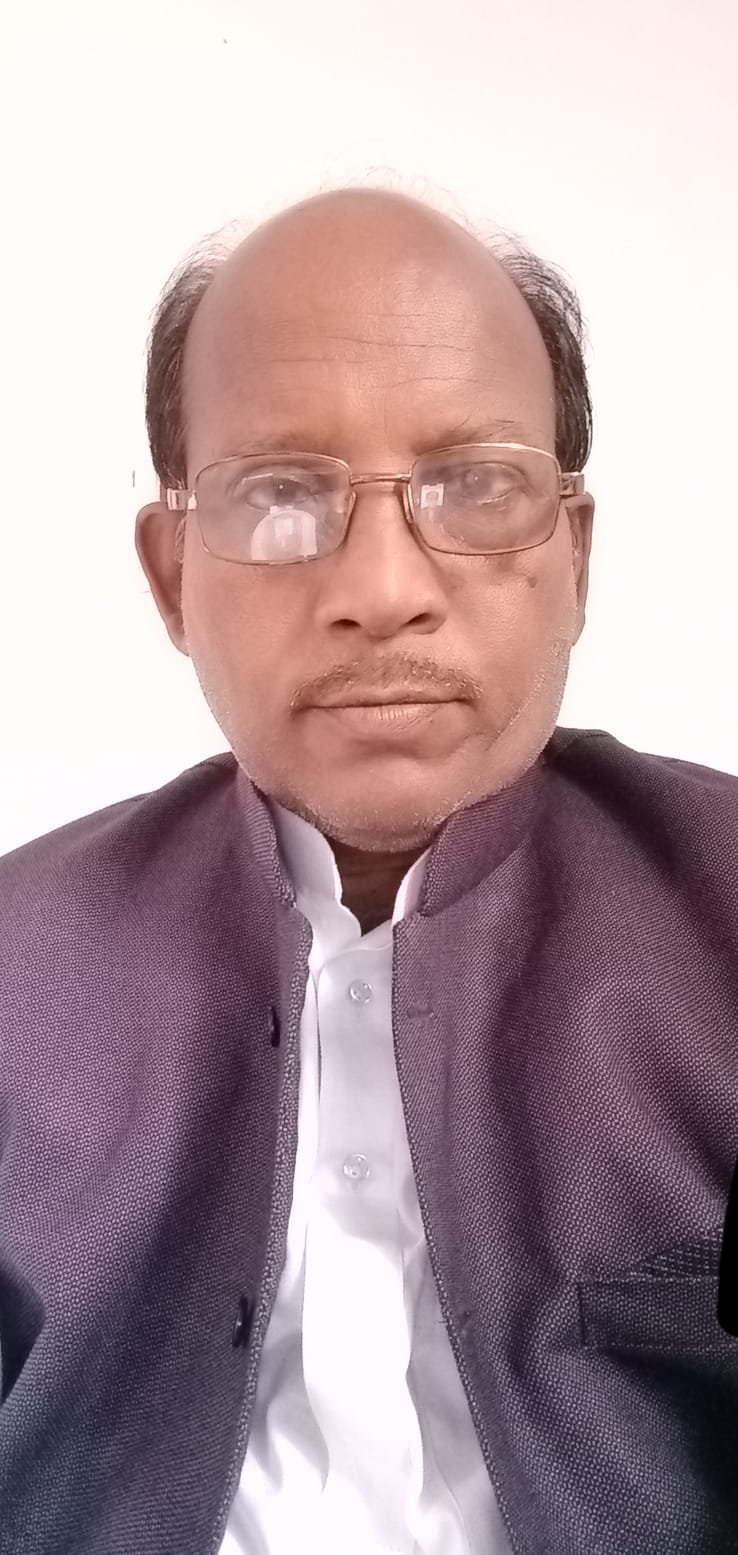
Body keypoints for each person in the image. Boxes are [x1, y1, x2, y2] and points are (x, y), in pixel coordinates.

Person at [1, 186, 737, 1555]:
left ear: (574, 556)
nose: (383, 588)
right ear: (171, 575)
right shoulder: (14, 962)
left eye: (477, 486)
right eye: (282, 495)